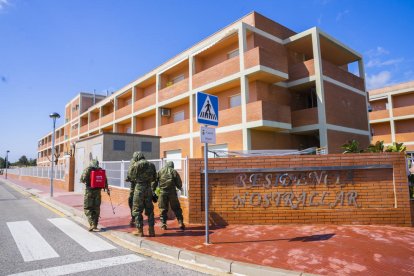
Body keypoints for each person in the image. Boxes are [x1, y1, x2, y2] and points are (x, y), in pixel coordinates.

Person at [128, 152, 157, 237]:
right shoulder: (151, 165)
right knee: (150, 210)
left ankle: (140, 230)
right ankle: (151, 231)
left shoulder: (136, 164)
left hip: (139, 188)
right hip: (148, 188)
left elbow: (130, 176)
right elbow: (154, 178)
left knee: (137, 210)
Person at [80, 159, 109, 232]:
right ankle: (95, 224)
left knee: (87, 208)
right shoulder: (101, 171)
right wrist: (107, 189)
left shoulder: (87, 169)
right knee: (96, 208)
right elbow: (105, 181)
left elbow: (82, 179)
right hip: (98, 192)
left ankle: (92, 224)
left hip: (89, 192)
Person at [155, 161, 185, 230]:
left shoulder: (160, 171)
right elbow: (179, 183)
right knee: (176, 208)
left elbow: (155, 182)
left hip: (162, 193)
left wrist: (154, 190)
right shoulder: (174, 171)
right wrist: (179, 187)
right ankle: (180, 223)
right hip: (172, 193)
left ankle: (163, 224)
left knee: (163, 209)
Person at [125, 151, 140, 226]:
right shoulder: (144, 162)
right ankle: (135, 217)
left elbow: (129, 172)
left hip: (135, 186)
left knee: (132, 200)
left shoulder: (133, 161)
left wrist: (128, 178)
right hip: (141, 186)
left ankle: (134, 217)